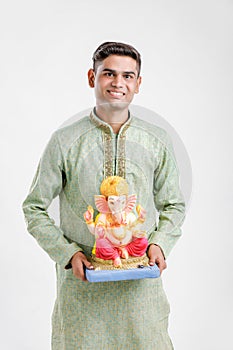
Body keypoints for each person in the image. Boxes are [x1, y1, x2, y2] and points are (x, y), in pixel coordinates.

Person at [22, 41, 185, 349]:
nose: (117, 83)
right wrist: (68, 254)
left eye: (127, 76)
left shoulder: (156, 140)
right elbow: (34, 208)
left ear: (138, 84)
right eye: (109, 74)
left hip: (141, 292)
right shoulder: (65, 140)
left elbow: (174, 204)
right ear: (91, 77)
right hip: (82, 290)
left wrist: (159, 244)